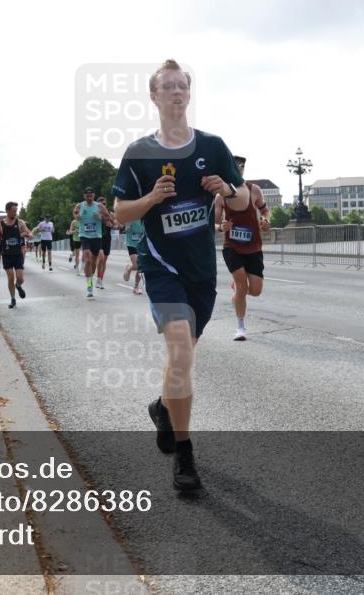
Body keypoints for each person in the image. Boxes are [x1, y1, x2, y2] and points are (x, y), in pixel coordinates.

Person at [112, 59, 248, 491]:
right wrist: (151, 198)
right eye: (166, 87)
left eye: (181, 86)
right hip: (161, 267)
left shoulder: (213, 145)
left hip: (200, 272)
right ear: (153, 97)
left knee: (183, 355)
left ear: (188, 94)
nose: (175, 92)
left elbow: (243, 199)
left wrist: (226, 190)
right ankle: (185, 456)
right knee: (181, 351)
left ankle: (164, 408)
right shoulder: (139, 154)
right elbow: (119, 214)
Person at [214, 155, 271, 341]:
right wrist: (221, 226)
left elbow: (265, 210)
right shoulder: (220, 195)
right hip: (232, 246)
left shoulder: (254, 190)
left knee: (255, 290)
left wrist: (266, 220)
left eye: (241, 166)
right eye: (235, 166)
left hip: (253, 246)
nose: (239, 169)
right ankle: (241, 328)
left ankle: (237, 293)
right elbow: (214, 223)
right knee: (241, 284)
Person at [0, 202, 33, 308]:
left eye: (16, 210)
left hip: (17, 254)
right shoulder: (0, 224)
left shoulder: (20, 222)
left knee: (20, 278)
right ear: (8, 211)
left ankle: (18, 285)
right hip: (6, 254)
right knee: (10, 277)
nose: (16, 213)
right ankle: (13, 299)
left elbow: (28, 232)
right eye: (14, 211)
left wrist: (30, 235)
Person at [74, 187, 111, 298]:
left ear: (94, 195)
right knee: (88, 258)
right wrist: (77, 217)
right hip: (84, 235)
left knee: (94, 262)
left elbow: (108, 217)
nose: (89, 197)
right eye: (87, 196)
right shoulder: (80, 206)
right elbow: (75, 214)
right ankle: (89, 286)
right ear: (84, 196)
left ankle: (91, 276)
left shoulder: (99, 206)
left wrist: (100, 217)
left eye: (91, 196)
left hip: (96, 236)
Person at [122, 218, 146, 295]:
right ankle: (129, 267)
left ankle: (136, 287)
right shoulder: (131, 216)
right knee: (136, 265)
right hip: (131, 244)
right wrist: (127, 228)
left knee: (140, 266)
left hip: (142, 245)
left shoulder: (145, 217)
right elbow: (125, 229)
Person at [95, 196, 114, 289]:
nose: (103, 205)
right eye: (101, 204)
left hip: (107, 238)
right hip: (98, 238)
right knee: (101, 258)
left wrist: (113, 224)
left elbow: (117, 224)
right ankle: (98, 278)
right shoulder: (95, 214)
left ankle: (100, 280)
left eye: (105, 204)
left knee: (104, 261)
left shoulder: (110, 214)